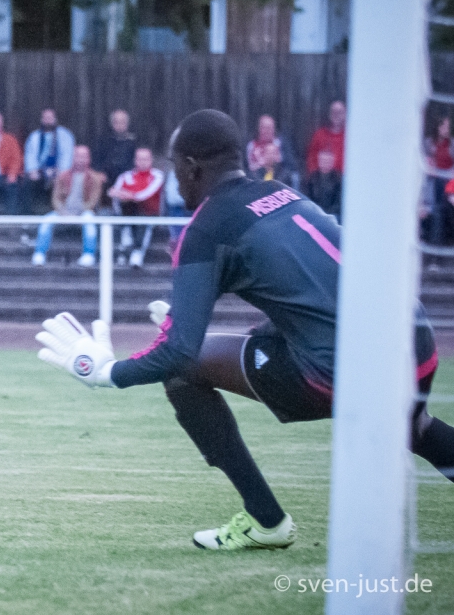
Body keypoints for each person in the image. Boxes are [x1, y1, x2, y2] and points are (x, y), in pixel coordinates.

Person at [37, 109, 454, 551]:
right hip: (416, 343)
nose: (174, 178)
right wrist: (200, 326)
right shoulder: (280, 192)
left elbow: (179, 353)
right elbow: (314, 294)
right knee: (412, 424)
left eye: (175, 167)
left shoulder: (206, 228)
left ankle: (266, 520)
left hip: (346, 370)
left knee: (185, 372)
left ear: (191, 168)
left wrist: (105, 372)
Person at [31, 145, 105, 267]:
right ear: (73, 157)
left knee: (90, 222)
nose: (80, 159)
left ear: (89, 159)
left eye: (84, 157)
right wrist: (63, 212)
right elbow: (55, 198)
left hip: (84, 212)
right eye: (78, 156)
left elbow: (93, 201)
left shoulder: (95, 178)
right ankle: (39, 253)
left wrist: (79, 212)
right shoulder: (63, 176)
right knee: (46, 221)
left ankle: (89, 254)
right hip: (63, 212)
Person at [108, 147, 165, 268]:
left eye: (146, 159)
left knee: (142, 215)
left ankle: (136, 252)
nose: (143, 162)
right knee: (126, 208)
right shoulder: (125, 176)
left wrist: (129, 195)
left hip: (149, 214)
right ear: (135, 160)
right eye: (140, 159)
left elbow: (146, 194)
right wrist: (125, 196)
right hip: (127, 213)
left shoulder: (157, 175)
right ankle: (125, 243)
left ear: (151, 160)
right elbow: (113, 193)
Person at [23, 109, 76, 214]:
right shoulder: (35, 136)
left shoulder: (65, 135)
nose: (48, 121)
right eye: (45, 118)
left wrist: (60, 172)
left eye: (50, 118)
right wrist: (33, 170)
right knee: (27, 183)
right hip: (40, 171)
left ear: (55, 119)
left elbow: (67, 155)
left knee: (63, 182)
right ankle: (30, 215)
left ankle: (59, 212)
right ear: (42, 120)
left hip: (59, 171)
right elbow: (30, 155)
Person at [91, 109, 137, 209]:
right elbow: (96, 159)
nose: (120, 125)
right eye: (117, 122)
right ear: (112, 124)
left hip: (128, 177)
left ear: (127, 124)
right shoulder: (104, 141)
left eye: (122, 122)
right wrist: (99, 172)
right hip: (107, 179)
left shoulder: (134, 142)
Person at [424, 116, 454, 246]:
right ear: (437, 127)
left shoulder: (452, 144)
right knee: (438, 209)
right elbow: (425, 164)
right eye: (444, 127)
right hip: (434, 181)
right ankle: (435, 251)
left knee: (442, 203)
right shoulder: (429, 143)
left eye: (448, 127)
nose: (446, 130)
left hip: (449, 182)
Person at [245, 115, 298, 187]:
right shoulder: (251, 145)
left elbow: (291, 165)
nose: (267, 131)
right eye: (265, 128)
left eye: (270, 128)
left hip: (279, 178)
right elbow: (247, 167)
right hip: (256, 179)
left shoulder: (281, 143)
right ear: (259, 129)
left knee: (294, 177)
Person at [306, 100, 346, 174]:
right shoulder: (319, 135)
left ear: (345, 114)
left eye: (339, 112)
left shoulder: (349, 138)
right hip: (321, 180)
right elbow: (311, 160)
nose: (336, 114)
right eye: (333, 111)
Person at [302, 149, 342, 219]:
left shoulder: (339, 180)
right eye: (323, 161)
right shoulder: (312, 178)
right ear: (319, 161)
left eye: (328, 161)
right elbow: (307, 198)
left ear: (332, 162)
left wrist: (327, 214)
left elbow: (339, 203)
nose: (325, 163)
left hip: (333, 215)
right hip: (315, 214)